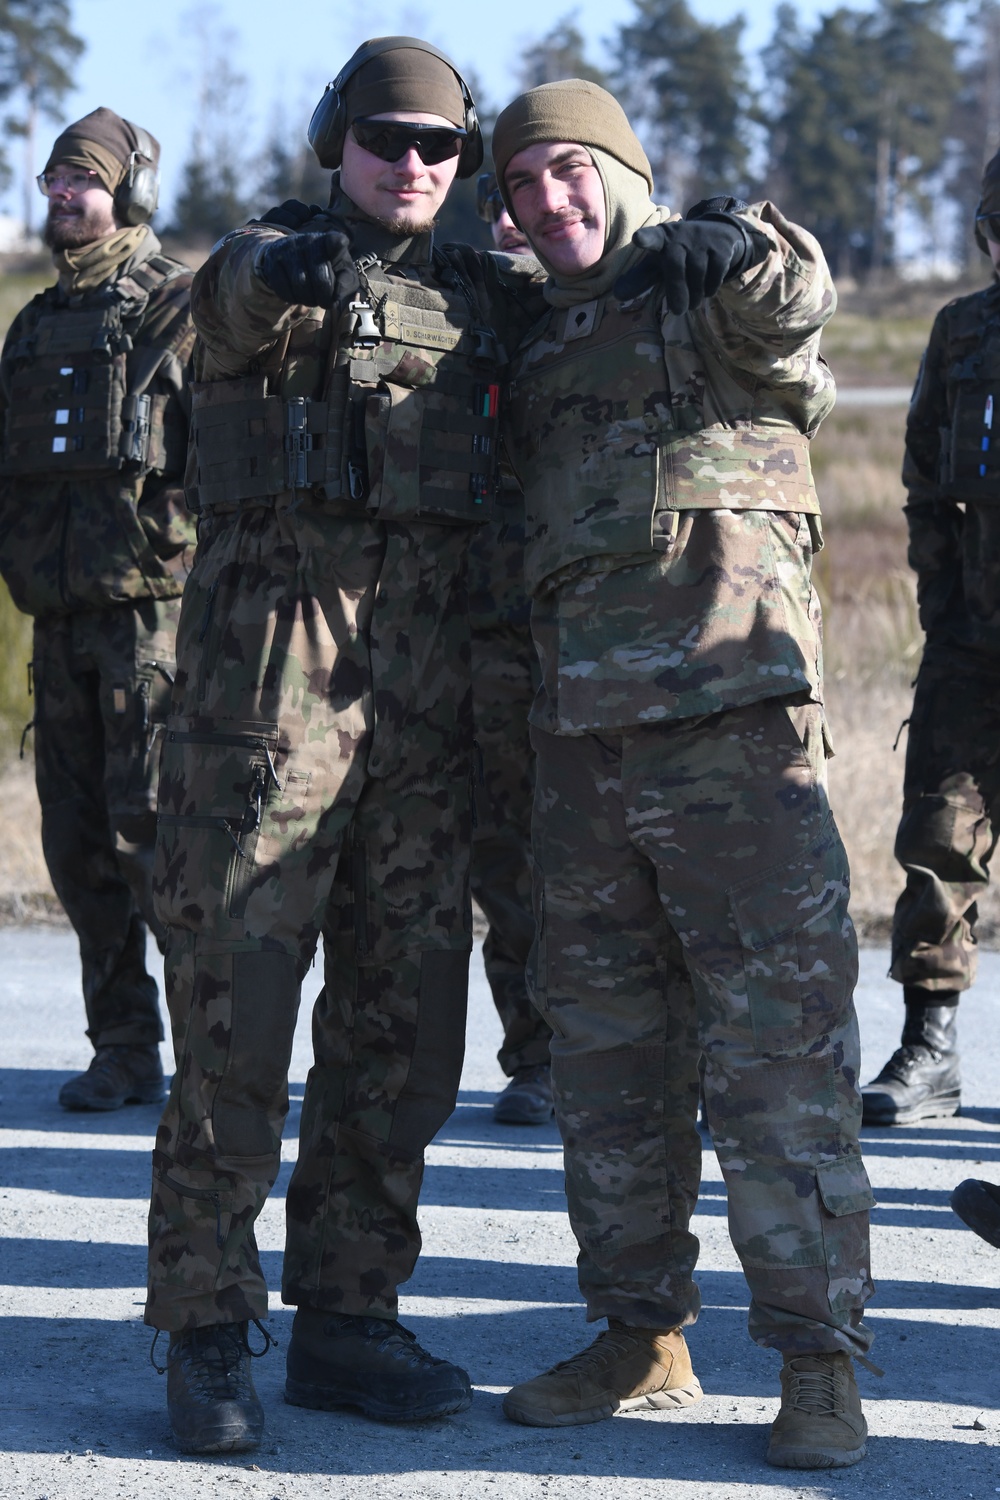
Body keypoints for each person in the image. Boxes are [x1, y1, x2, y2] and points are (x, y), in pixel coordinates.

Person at [144, 37, 543, 1456]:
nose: (417, 165)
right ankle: (204, 1325)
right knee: (235, 1024)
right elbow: (218, 307)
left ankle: (348, 1317)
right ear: (335, 138)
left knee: (404, 1032)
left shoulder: (491, 302)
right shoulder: (274, 265)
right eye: (388, 138)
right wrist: (282, 274)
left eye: (443, 146)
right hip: (270, 710)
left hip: (426, 726)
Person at [490, 80, 875, 1470]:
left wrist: (745, 243)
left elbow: (794, 305)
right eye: (525, 183)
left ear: (626, 173)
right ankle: (639, 1333)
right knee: (609, 1069)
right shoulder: (537, 344)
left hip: (734, 745)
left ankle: (821, 1360)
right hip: (581, 759)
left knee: (779, 1065)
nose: (551, 200)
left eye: (573, 172)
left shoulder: (704, 292)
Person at [0, 109, 195, 1112]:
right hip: (59, 621)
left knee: (157, 840)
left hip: (150, 624)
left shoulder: (180, 309)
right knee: (77, 847)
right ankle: (123, 1045)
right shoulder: (34, 328)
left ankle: (213, 1053)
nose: (63, 195)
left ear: (131, 191)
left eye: (82, 177)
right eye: (52, 179)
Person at [861, 149, 1000, 1128]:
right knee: (936, 842)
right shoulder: (962, 334)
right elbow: (922, 480)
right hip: (974, 641)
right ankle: (929, 1049)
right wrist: (945, 606)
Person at [469, 171, 552, 1125]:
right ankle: (535, 1056)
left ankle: (673, 1065)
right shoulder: (463, 318)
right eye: (497, 200)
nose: (511, 218)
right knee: (506, 861)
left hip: (603, 633)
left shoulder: (617, 308)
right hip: (486, 630)